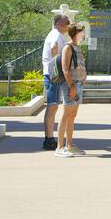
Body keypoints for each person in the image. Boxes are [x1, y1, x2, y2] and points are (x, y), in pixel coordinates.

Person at [55, 23, 87, 158]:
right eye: (82, 32)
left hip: (78, 84)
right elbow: (65, 69)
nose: (84, 35)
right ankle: (59, 147)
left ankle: (69, 145)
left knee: (72, 116)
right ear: (77, 33)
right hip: (70, 85)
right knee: (66, 115)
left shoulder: (77, 48)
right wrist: (72, 86)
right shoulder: (67, 48)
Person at [41, 12, 70, 150]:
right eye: (66, 23)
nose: (68, 26)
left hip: (51, 75)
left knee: (53, 106)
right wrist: (57, 65)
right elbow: (53, 48)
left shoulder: (56, 34)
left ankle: (49, 138)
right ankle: (49, 139)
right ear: (59, 24)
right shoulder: (55, 35)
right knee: (52, 106)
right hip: (53, 76)